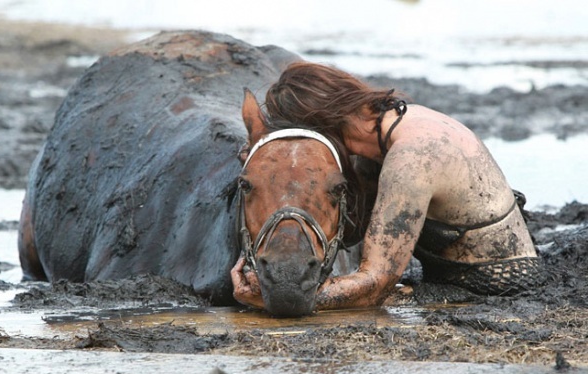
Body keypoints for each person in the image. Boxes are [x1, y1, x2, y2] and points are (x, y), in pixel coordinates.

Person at [232, 62, 542, 310]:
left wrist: (280, 296)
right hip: (457, 274)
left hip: (492, 287)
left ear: (323, 122)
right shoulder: (389, 133)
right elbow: (353, 233)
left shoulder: (412, 157)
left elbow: (376, 284)